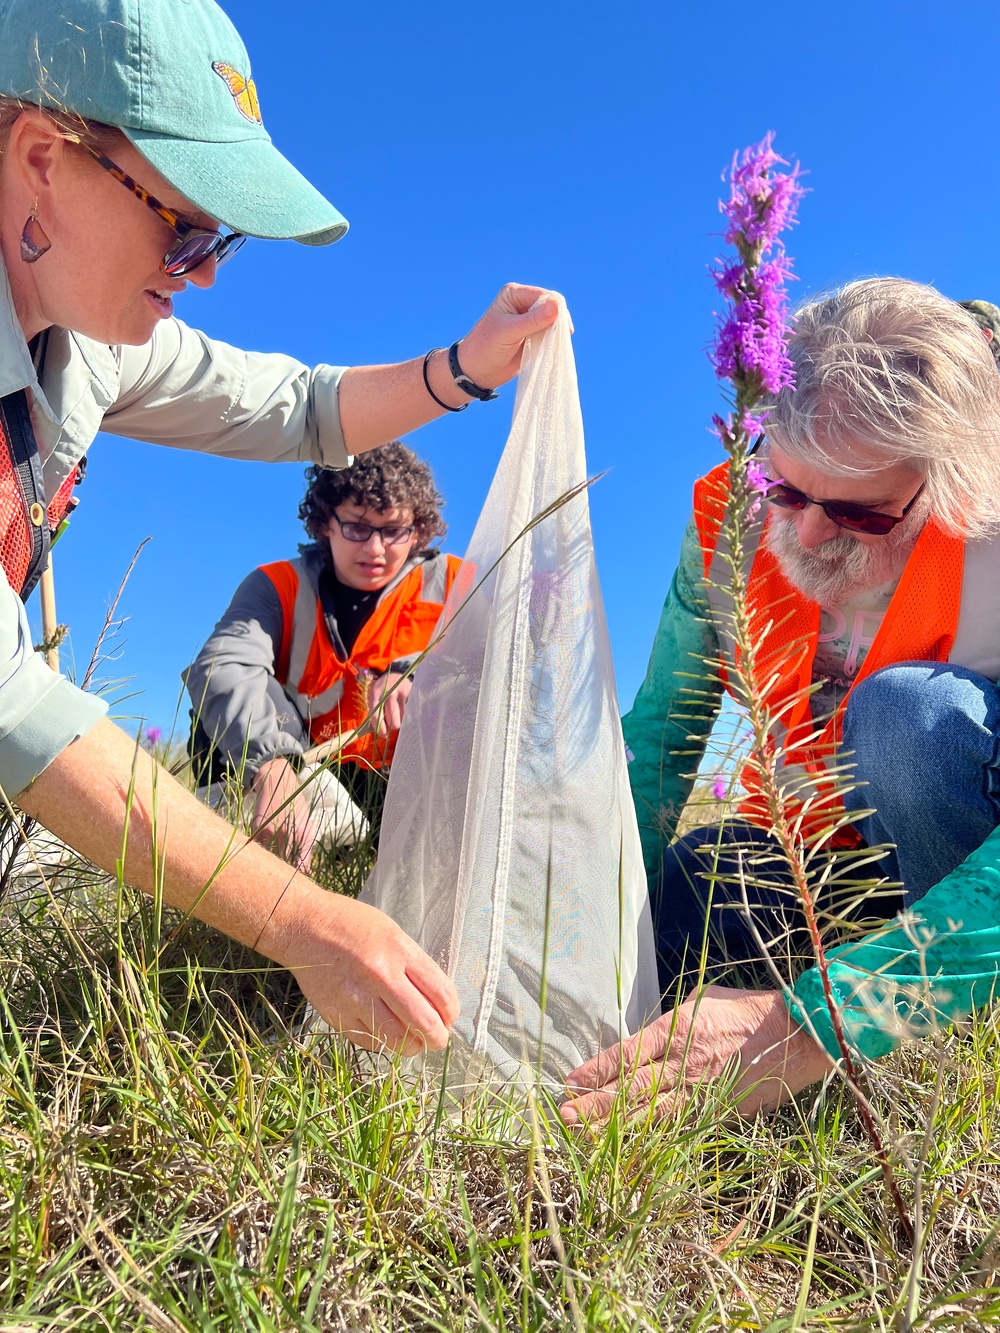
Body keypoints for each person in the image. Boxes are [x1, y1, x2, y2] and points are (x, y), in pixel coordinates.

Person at [0, 0, 561, 1055]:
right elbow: (12, 704)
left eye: (226, 238)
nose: (206, 268)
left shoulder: (87, 338)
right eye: (185, 220)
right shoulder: (278, 588)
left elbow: (296, 406)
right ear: (41, 155)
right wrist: (304, 924)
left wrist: (464, 368)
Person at [561, 278, 1000, 1122]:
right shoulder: (728, 521)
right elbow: (661, 740)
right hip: (837, 867)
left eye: (861, 514)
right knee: (699, 876)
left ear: (951, 476)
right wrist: (581, 926)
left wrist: (820, 1023)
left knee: (910, 720)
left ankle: (954, 1026)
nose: (804, 535)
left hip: (962, 855)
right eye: (785, 492)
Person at [186, 442, 460, 870]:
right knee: (213, 720)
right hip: (305, 767)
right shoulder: (275, 586)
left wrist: (415, 677)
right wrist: (272, 765)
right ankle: (231, 861)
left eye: (393, 531)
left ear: (418, 529)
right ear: (324, 522)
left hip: (407, 787)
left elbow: (520, 650)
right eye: (357, 527)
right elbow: (225, 666)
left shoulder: (459, 583)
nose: (375, 549)